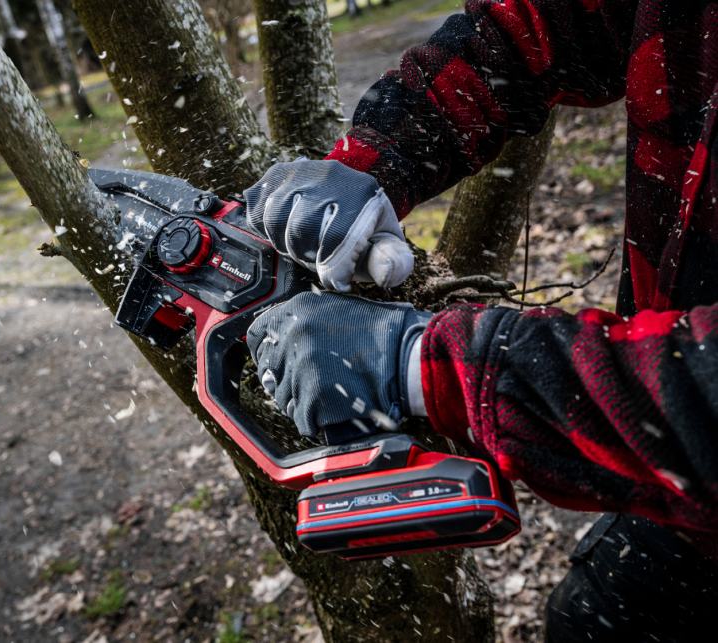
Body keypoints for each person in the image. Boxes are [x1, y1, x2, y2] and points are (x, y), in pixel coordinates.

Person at [242, 1, 717, 641]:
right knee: (590, 620)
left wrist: (426, 365)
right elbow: (538, 29)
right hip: (680, 490)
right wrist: (375, 159)